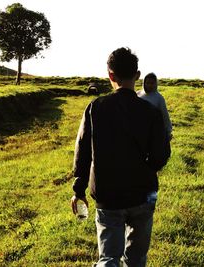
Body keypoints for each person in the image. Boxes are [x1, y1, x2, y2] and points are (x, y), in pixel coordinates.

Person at [71, 47, 170, 267]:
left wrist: (79, 190)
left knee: (108, 258)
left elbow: (83, 151)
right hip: (144, 194)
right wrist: (146, 168)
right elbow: (160, 156)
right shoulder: (150, 112)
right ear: (137, 75)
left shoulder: (95, 108)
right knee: (136, 259)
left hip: (108, 196)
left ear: (110, 76)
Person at [137, 73, 172, 140]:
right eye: (148, 83)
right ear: (144, 83)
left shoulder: (159, 98)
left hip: (153, 130)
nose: (150, 85)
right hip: (139, 129)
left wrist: (168, 131)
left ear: (156, 84)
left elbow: (164, 115)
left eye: (152, 83)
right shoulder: (137, 95)